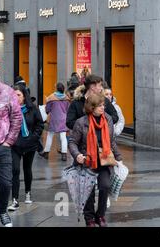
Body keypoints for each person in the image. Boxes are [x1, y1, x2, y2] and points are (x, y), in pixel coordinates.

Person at [68, 93, 123, 227]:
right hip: (87, 160)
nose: (103, 108)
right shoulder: (81, 122)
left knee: (105, 186)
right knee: (89, 191)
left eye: (103, 105)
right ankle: (90, 218)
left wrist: (119, 158)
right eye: (99, 106)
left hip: (104, 160)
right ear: (91, 108)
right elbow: (72, 142)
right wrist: (77, 155)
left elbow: (111, 140)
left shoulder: (108, 119)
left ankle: (100, 215)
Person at [0, 55, 22, 227]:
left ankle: (2, 210)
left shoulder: (7, 92)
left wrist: (9, 141)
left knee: (5, 184)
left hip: (2, 147)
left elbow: (17, 117)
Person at [8, 85, 44, 211]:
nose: (16, 97)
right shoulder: (10, 108)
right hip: (15, 145)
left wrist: (34, 137)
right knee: (15, 170)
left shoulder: (32, 108)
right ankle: (14, 200)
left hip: (30, 144)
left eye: (18, 95)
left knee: (27, 169)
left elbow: (40, 124)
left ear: (24, 96)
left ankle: (28, 192)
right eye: (14, 94)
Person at [39, 82, 70, 161]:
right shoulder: (67, 98)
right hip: (64, 119)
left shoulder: (51, 98)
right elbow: (67, 109)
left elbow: (47, 110)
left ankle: (46, 152)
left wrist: (47, 102)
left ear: (56, 88)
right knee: (63, 137)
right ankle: (64, 154)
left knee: (50, 135)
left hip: (54, 119)